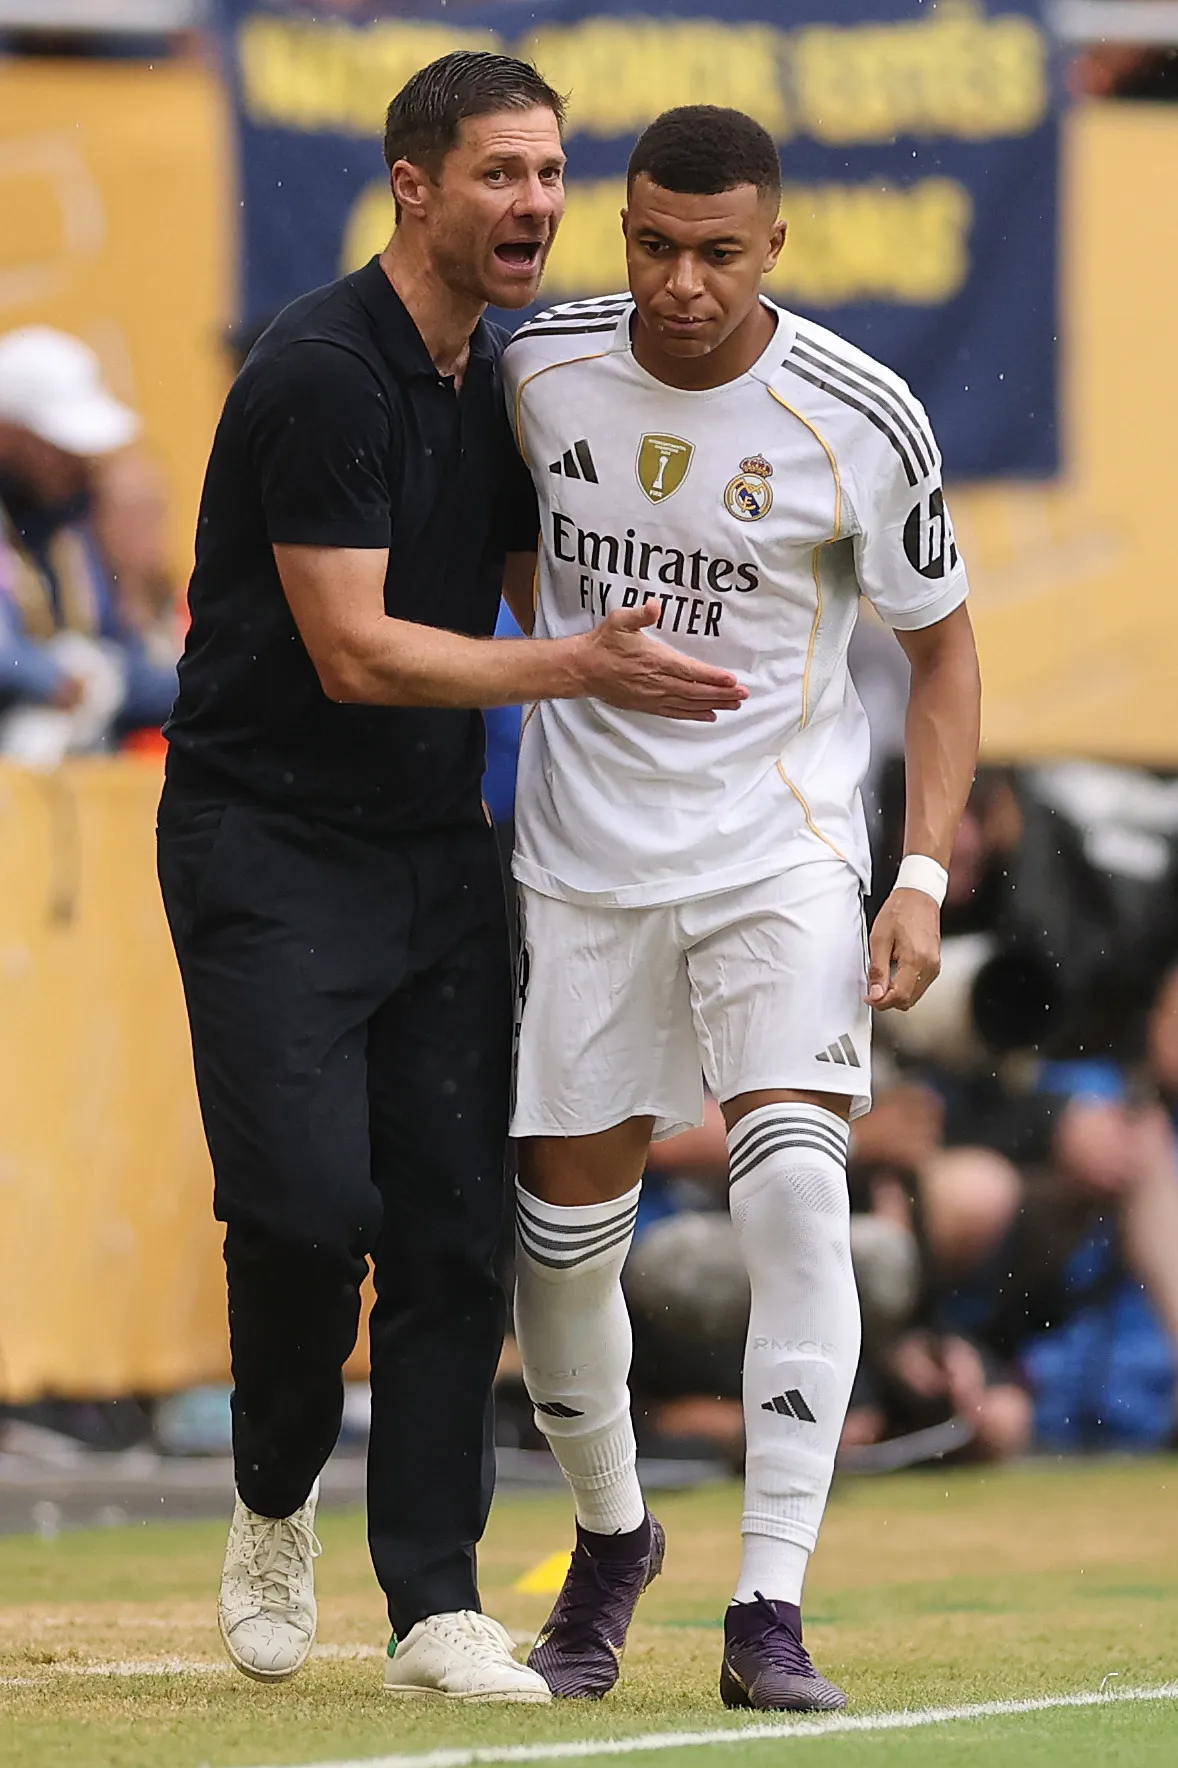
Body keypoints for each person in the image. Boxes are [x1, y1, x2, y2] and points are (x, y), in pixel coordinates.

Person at [157, 53, 742, 1704]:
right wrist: (575, 668)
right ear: (410, 184)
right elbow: (350, 651)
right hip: (262, 839)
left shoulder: (501, 380)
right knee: (301, 1211)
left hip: (429, 854)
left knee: (448, 1223)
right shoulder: (318, 371)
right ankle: (273, 1502)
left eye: (552, 173)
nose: (536, 206)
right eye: (500, 174)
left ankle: (433, 1601)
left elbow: (551, 572)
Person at [502, 105, 981, 1709]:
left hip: (778, 857)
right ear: (618, 232)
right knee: (560, 1256)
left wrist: (915, 872)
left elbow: (941, 655)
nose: (682, 282)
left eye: (716, 251)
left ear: (773, 243)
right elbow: (505, 550)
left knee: (792, 1193)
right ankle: (614, 1538)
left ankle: (768, 1606)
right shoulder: (538, 364)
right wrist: (566, 657)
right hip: (580, 864)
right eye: (652, 245)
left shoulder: (860, 413)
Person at [0, 326, 177, 761]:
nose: (78, 459)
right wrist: (51, 678)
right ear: (10, 434)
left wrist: (215, 683)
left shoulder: (71, 533)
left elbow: (122, 666)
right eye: (56, 443)